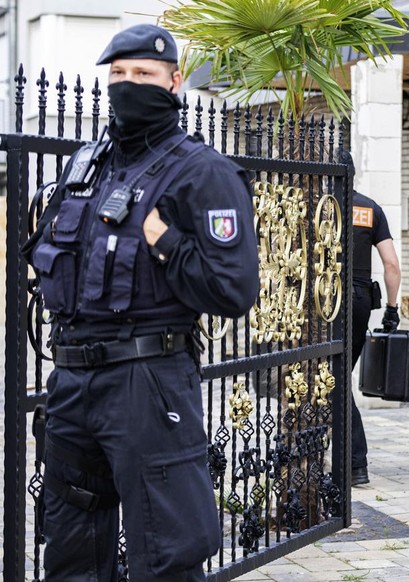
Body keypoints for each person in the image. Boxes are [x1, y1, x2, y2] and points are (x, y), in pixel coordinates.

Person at [22, 24, 259, 580]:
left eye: (145, 75)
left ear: (174, 82)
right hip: (73, 381)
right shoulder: (87, 167)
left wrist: (167, 242)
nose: (129, 85)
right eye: (119, 75)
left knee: (166, 552)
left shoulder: (204, 173)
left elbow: (233, 290)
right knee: (70, 546)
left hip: (147, 381)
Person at [338, 149, 401, 487]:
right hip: (362, 300)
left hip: (327, 299)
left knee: (333, 378)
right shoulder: (369, 208)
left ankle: (354, 461)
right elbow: (391, 265)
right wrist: (392, 309)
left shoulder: (320, 202)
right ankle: (350, 461)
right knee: (338, 376)